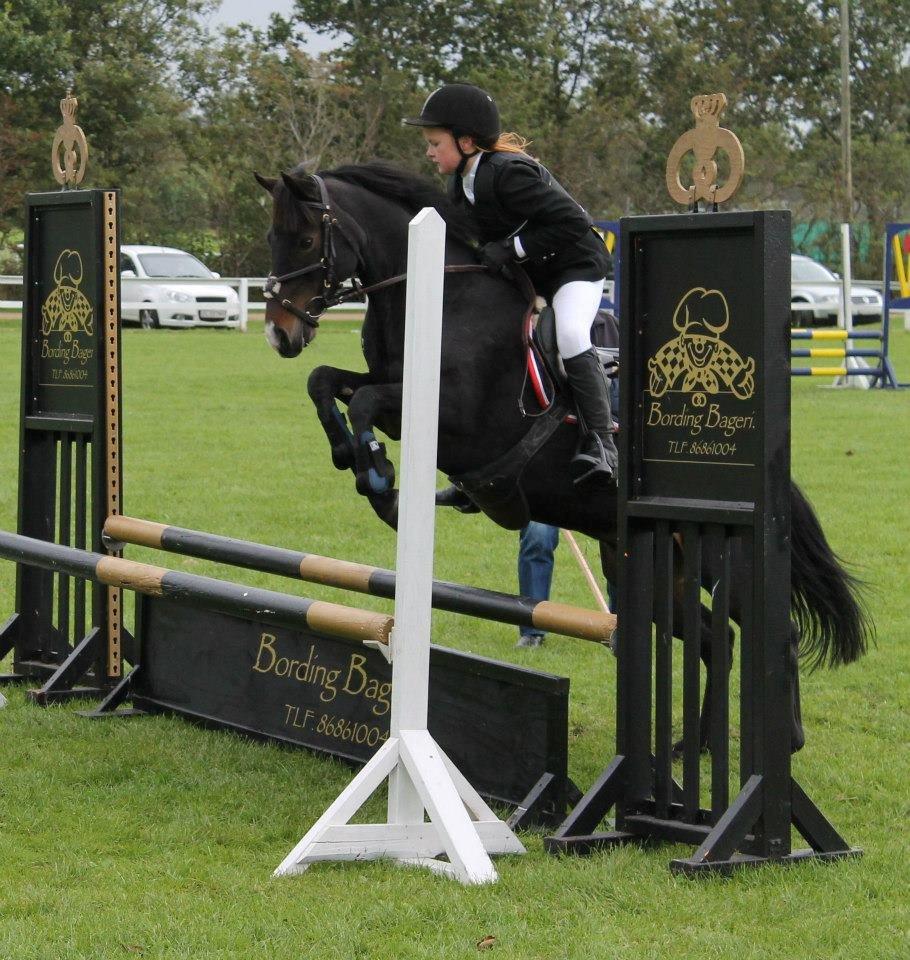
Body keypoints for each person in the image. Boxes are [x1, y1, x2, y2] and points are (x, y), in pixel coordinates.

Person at [403, 82, 618, 484]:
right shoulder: (459, 183)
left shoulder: (508, 173)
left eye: (435, 143)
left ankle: (602, 445)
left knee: (570, 335)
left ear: (466, 141)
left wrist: (514, 248)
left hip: (576, 268)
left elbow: (573, 223)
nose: (429, 152)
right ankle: (476, 473)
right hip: (533, 273)